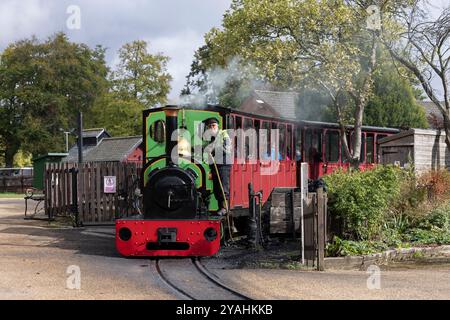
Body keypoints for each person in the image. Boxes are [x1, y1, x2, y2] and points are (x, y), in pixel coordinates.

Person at [204, 118, 232, 216]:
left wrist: (213, 150)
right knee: (216, 188)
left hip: (224, 164)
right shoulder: (211, 138)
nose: (212, 128)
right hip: (214, 165)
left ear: (217, 126)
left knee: (223, 187)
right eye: (210, 126)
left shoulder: (224, 135)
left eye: (213, 126)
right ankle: (220, 207)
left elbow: (227, 149)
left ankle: (225, 208)